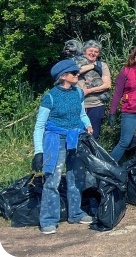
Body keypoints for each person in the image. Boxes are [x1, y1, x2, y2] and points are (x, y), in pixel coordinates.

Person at [31, 59, 94, 234]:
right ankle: (48, 220)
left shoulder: (78, 93)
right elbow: (39, 126)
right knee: (53, 180)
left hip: (75, 139)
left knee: (76, 177)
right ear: (63, 76)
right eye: (74, 73)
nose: (77, 74)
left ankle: (76, 213)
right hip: (55, 140)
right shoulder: (50, 97)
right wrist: (38, 152)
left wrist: (88, 125)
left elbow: (82, 114)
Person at [75, 40, 112, 140]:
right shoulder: (76, 63)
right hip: (77, 105)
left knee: (93, 136)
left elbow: (107, 85)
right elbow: (75, 72)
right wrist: (92, 66)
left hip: (96, 105)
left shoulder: (102, 65)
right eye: (90, 51)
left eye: (96, 52)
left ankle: (92, 150)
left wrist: (89, 91)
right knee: (76, 135)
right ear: (84, 51)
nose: (93, 53)